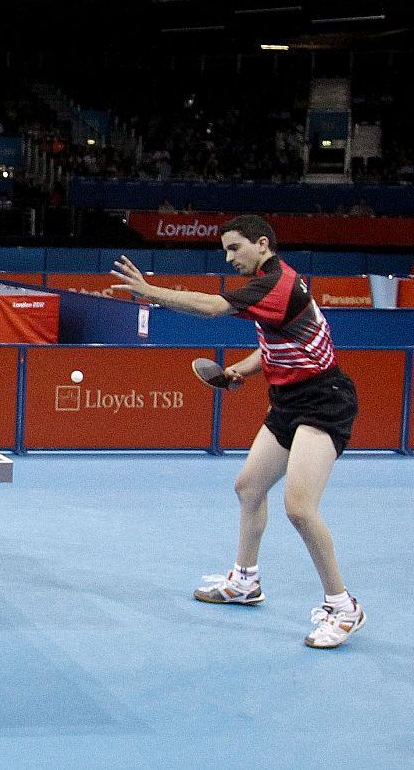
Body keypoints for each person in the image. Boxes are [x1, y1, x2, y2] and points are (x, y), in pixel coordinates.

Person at [110, 214, 366, 649]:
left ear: (261, 244)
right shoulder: (276, 280)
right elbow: (279, 344)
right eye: (225, 251)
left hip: (325, 401)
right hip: (289, 400)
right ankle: (245, 581)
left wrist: (150, 292)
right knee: (249, 487)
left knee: (300, 509)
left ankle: (343, 607)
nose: (228, 258)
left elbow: (212, 308)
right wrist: (239, 371)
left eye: (234, 248)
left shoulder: (274, 284)